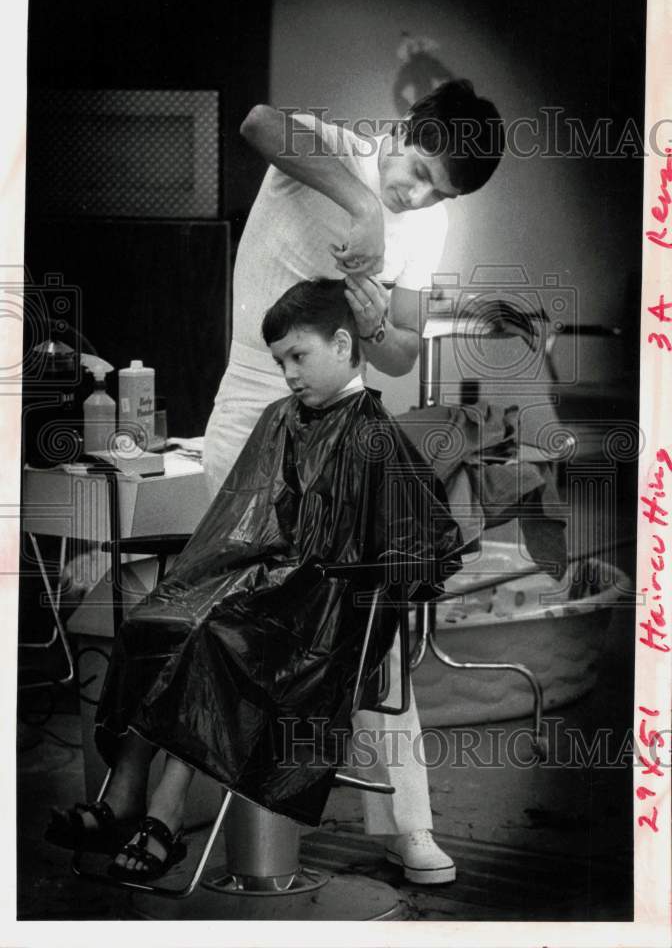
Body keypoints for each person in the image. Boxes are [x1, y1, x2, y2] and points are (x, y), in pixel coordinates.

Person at [46, 279, 462, 882]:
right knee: (153, 621)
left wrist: (347, 577)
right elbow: (242, 520)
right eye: (280, 362)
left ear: (344, 343)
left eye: (300, 356)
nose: (289, 374)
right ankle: (123, 798)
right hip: (265, 596)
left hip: (323, 625)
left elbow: (427, 542)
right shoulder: (280, 418)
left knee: (211, 638)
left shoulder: (374, 435)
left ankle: (160, 820)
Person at [202, 79, 503, 883]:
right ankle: (206, 823)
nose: (414, 193)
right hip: (248, 414)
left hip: (339, 430)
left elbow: (402, 348)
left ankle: (407, 826)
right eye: (414, 169)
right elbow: (257, 121)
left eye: (432, 189)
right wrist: (367, 208)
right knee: (238, 618)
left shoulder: (428, 224)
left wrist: (374, 321)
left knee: (368, 625)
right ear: (402, 130)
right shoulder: (334, 150)